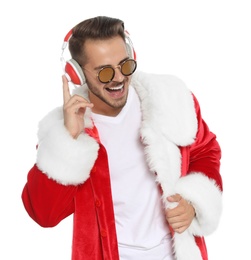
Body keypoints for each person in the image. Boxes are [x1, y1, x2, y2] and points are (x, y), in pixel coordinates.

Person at [21, 16, 223, 260]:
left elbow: (205, 151)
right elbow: (44, 214)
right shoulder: (65, 130)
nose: (118, 78)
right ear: (77, 74)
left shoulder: (170, 99)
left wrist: (192, 203)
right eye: (104, 72)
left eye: (125, 65)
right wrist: (69, 138)